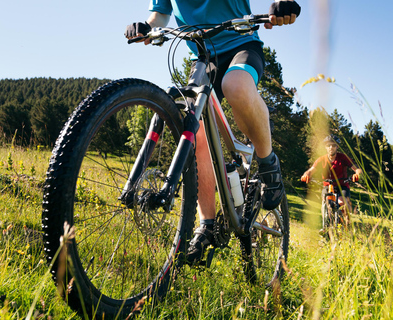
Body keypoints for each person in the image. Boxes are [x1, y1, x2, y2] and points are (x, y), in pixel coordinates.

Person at [125, 0, 301, 264]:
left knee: (236, 86)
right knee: (194, 129)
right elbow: (160, 13)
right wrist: (146, 27)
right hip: (204, 57)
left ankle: (267, 163)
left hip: (242, 45)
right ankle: (206, 225)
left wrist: (281, 4)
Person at [301, 134, 362, 224]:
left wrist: (357, 174)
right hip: (328, 186)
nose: (331, 147)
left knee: (342, 202)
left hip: (342, 185)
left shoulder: (343, 157)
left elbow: (357, 168)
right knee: (326, 204)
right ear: (326, 147)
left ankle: (348, 224)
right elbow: (310, 171)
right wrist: (306, 175)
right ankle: (325, 225)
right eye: (328, 145)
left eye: (333, 145)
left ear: (337, 147)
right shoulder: (321, 159)